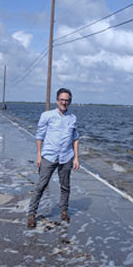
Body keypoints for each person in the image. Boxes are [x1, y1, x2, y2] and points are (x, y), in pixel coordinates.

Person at [28, 88, 80, 229]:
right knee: (41, 186)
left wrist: (76, 158)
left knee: (65, 186)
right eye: (62, 99)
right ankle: (32, 214)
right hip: (49, 156)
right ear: (57, 100)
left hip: (66, 157)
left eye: (67, 100)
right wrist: (39, 155)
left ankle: (64, 211)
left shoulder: (73, 118)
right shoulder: (47, 115)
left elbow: (75, 139)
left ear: (70, 102)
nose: (64, 102)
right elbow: (39, 136)